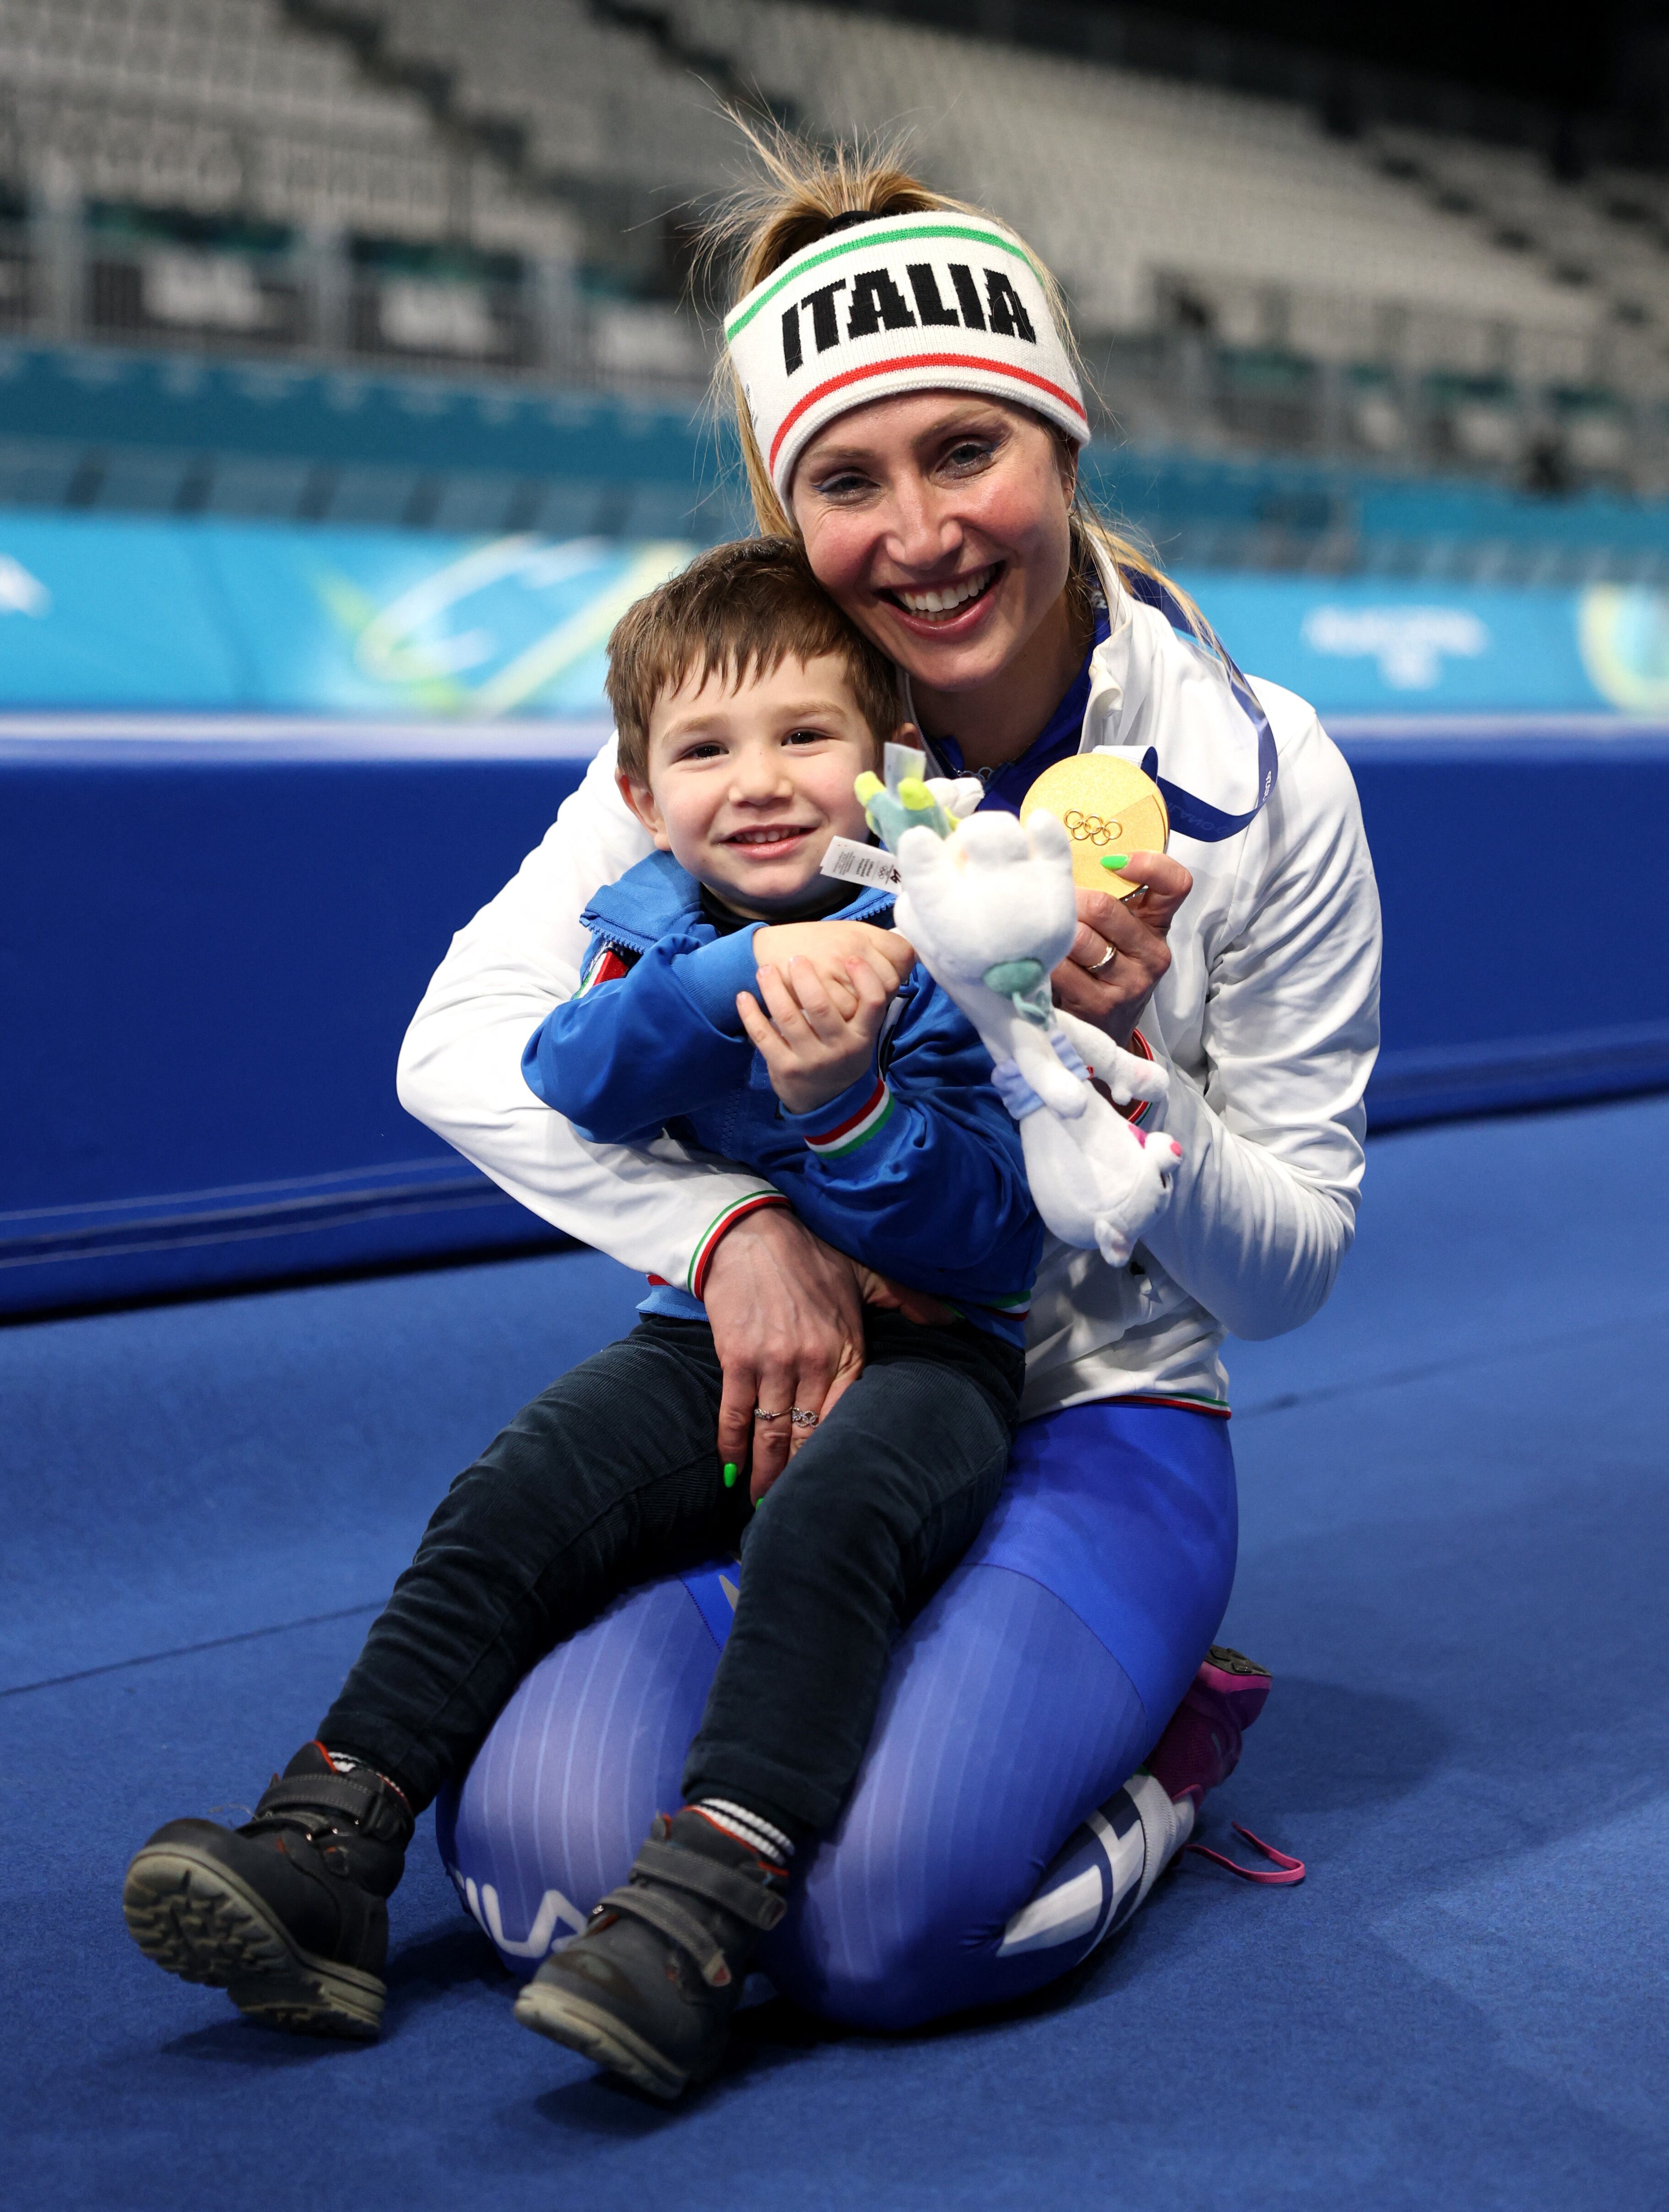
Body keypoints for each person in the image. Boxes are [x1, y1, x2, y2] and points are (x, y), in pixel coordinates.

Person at [423, 137, 1377, 2037]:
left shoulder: (1266, 773)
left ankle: (1174, 1754)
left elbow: (1292, 1271)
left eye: (967, 451)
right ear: (792, 511)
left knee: (879, 1933)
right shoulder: (749, 731)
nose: (923, 533)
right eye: (849, 482)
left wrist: (1118, 1083)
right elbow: (456, 1046)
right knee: (533, 1874)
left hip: (1096, 1412)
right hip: (810, 1394)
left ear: (1065, 442)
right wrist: (731, 1231)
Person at [123, 536, 1088, 2095]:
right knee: (521, 1485)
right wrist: (736, 979)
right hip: (701, 1341)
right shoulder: (655, 924)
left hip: (936, 1357)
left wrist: (845, 1105)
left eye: (804, 736)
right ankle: (328, 1839)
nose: (756, 781)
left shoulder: (948, 936)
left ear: (891, 756)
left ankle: (702, 1908)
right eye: (705, 751)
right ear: (640, 792)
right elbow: (575, 1068)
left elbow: (990, 1223)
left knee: (828, 1522)